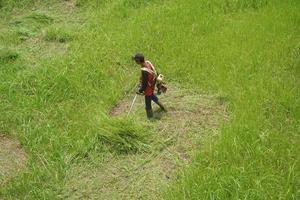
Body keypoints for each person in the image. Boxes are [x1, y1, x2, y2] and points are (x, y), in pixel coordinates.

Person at [133, 53, 167, 119]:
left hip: (148, 89)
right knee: (153, 97)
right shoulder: (148, 63)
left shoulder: (144, 71)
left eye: (135, 60)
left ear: (138, 61)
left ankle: (150, 118)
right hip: (152, 85)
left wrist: (140, 90)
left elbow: (145, 83)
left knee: (148, 105)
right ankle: (163, 108)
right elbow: (155, 72)